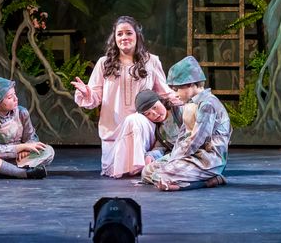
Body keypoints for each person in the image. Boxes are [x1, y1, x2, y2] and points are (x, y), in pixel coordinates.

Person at [71, 16, 176, 178]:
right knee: (114, 171)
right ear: (114, 38)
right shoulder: (103, 64)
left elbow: (165, 93)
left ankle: (142, 166)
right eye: (119, 34)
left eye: (128, 33)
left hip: (142, 127)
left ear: (137, 36)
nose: (124, 37)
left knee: (133, 120)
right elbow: (95, 98)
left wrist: (188, 100)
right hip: (113, 132)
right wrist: (87, 93)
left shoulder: (151, 61)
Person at [142, 56, 231, 191]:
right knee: (147, 172)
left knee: (162, 175)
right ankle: (180, 176)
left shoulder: (207, 104)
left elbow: (196, 141)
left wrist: (173, 161)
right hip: (191, 156)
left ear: (190, 84)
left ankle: (211, 180)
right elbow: (183, 137)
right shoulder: (191, 104)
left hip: (208, 159)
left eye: (176, 89)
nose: (175, 94)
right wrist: (173, 157)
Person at [0, 77, 51, 179]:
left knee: (48, 150)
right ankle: (22, 173)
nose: (16, 99)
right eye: (10, 97)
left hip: (19, 158)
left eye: (15, 94)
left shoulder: (22, 112)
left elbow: (31, 137)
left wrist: (27, 148)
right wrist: (20, 148)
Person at [134, 89, 183, 165]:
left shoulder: (180, 112)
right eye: (148, 113)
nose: (154, 114)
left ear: (161, 101)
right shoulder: (159, 130)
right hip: (177, 157)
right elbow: (160, 147)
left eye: (155, 107)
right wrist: (151, 156)